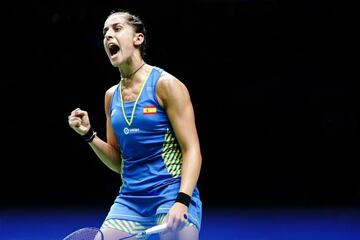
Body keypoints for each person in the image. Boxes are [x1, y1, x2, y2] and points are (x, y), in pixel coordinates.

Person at [68, 9, 202, 240]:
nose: (108, 36)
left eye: (117, 29)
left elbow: (192, 151)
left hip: (171, 191)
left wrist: (182, 200)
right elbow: (118, 162)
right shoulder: (111, 96)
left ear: (138, 39)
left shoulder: (166, 86)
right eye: (105, 32)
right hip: (131, 200)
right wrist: (89, 135)